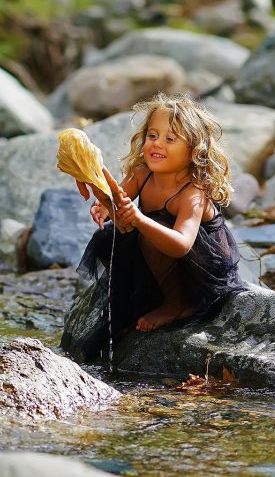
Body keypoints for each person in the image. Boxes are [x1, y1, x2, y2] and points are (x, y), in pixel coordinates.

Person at [74, 93, 246, 350]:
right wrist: (100, 197)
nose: (157, 144)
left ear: (194, 150)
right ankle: (148, 298)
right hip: (160, 258)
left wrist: (139, 219)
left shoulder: (192, 192)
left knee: (149, 229)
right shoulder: (141, 174)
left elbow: (181, 245)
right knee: (108, 237)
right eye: (152, 135)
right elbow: (115, 201)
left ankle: (178, 304)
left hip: (201, 268)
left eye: (170, 139)